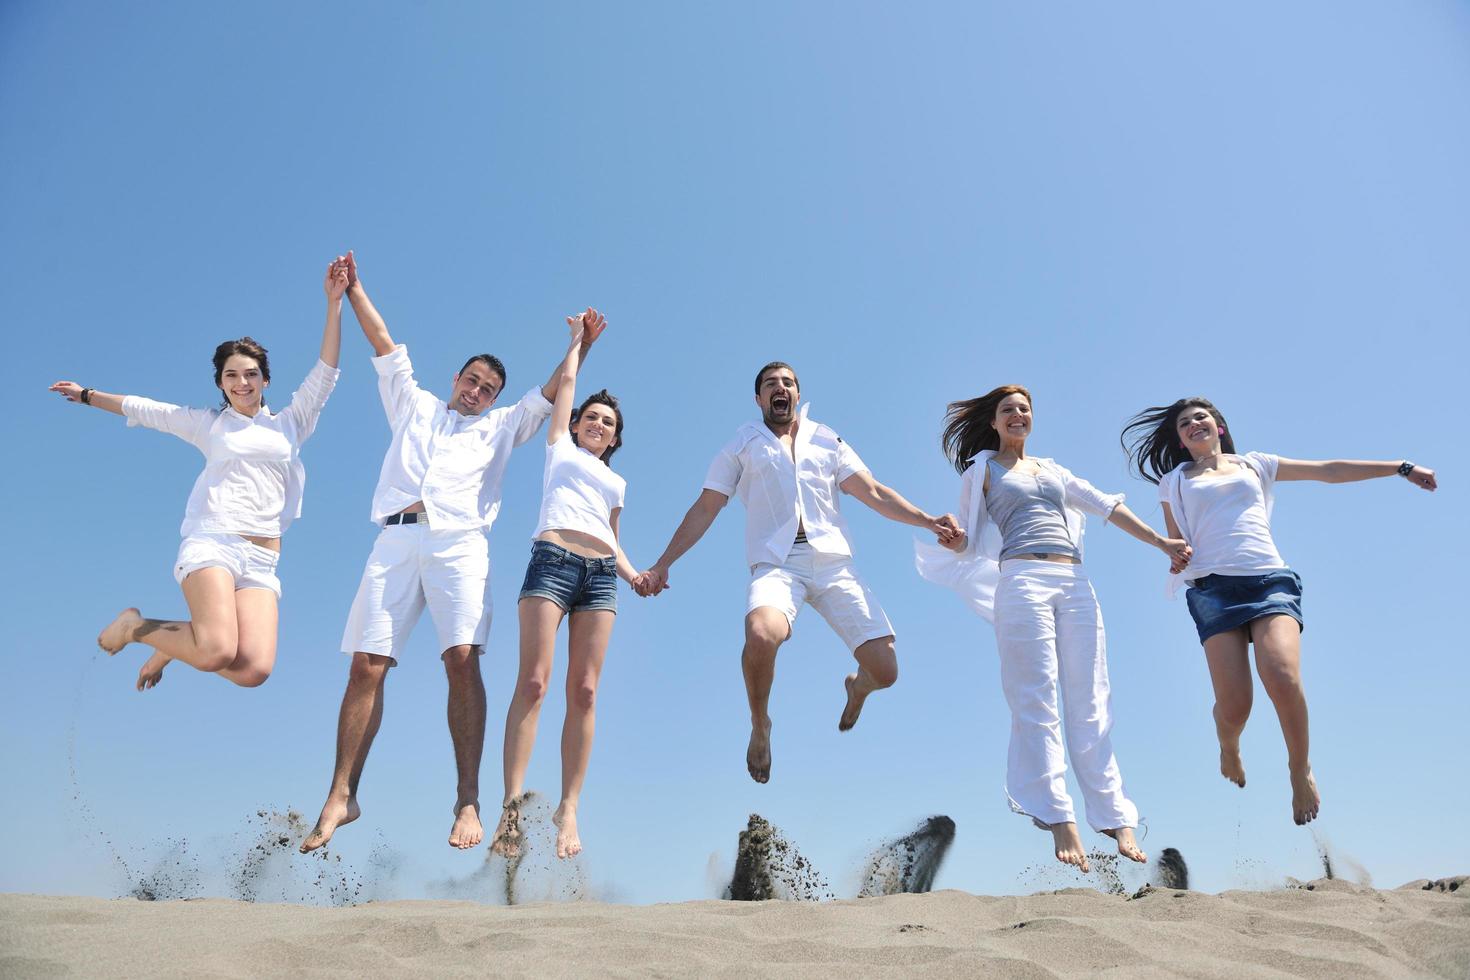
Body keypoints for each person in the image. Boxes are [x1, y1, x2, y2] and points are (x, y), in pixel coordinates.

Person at [301, 253, 603, 854]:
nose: (478, 392)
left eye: (489, 389)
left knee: (462, 659)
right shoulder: (410, 403)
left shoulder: (500, 428)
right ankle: (342, 793)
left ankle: (468, 797)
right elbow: (383, 341)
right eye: (472, 381)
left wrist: (580, 343)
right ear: (456, 379)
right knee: (366, 665)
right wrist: (354, 289)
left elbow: (552, 394)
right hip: (395, 537)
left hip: (461, 545)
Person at [1121, 397, 1437, 825]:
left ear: (1219, 426)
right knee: (1235, 708)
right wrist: (1175, 553)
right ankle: (1229, 747)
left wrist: (1400, 467)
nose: (1195, 423)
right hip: (1213, 591)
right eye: (1184, 423)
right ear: (1179, 439)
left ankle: (1299, 768)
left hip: (1269, 581)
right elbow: (1176, 540)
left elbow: (1328, 470)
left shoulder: (1256, 465)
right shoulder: (1173, 481)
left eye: (1202, 417)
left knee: (1283, 677)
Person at [640, 362, 959, 784]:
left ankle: (857, 688)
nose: (780, 388)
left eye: (787, 382)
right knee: (760, 632)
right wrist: (663, 563)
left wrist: (929, 520)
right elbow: (705, 507)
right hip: (777, 563)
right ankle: (760, 724)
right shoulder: (742, 443)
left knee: (886, 672)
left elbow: (874, 492)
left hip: (833, 563)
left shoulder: (826, 438)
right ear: (758, 399)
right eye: (771, 384)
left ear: (797, 393)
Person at [916, 385, 1190, 873]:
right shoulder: (982, 470)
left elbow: (1107, 506)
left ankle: (1113, 815)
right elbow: (968, 540)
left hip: (1074, 580)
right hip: (1021, 580)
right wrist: (953, 538)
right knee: (1035, 696)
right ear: (995, 423)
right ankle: (1059, 816)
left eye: (1024, 408)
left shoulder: (1054, 470)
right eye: (1008, 410)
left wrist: (1162, 543)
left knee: (1091, 697)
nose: (1018, 414)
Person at [49, 257, 346, 691]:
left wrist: (333, 303)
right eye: (231, 376)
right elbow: (147, 409)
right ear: (221, 384)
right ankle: (137, 627)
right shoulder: (209, 424)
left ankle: (171, 644)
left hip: (264, 559)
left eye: (250, 374)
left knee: (252, 670)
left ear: (265, 379)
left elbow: (327, 371)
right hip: (215, 541)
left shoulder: (291, 422)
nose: (242, 382)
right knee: (216, 651)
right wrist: (88, 395)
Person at [492, 310, 647, 860]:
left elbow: (613, 536)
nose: (598, 425)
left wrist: (636, 576)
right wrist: (578, 343)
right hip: (552, 562)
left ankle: (569, 807)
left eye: (608, 423)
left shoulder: (616, 480)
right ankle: (511, 808)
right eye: (591, 418)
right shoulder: (558, 446)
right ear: (576, 424)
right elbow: (568, 387)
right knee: (534, 682)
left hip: (602, 578)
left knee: (583, 692)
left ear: (615, 438)